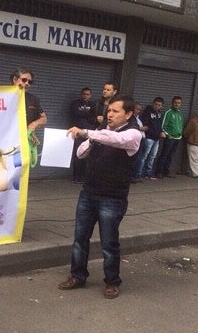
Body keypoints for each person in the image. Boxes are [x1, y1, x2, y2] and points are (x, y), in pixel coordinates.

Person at [59, 95, 142, 299]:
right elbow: (80, 154)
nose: (110, 114)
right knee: (80, 239)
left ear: (128, 114)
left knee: (109, 243)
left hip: (112, 198)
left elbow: (117, 140)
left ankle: (112, 281)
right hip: (88, 193)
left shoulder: (133, 134)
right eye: (109, 110)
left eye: (115, 111)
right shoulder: (101, 131)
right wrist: (91, 139)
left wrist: (88, 132)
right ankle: (77, 276)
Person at [11, 67, 47, 166]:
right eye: (24, 80)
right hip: (7, 142)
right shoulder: (2, 96)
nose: (27, 83)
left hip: (25, 142)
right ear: (15, 79)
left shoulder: (33, 99)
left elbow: (44, 118)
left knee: (22, 169)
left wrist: (34, 123)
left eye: (29, 82)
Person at [68, 87, 95, 183]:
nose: (85, 96)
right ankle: (76, 177)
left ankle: (84, 177)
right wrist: (89, 114)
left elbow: (94, 117)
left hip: (89, 133)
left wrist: (84, 114)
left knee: (87, 155)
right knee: (77, 155)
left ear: (90, 95)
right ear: (81, 94)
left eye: (88, 94)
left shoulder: (93, 104)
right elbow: (75, 113)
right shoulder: (75, 103)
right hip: (77, 133)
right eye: (84, 94)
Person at [133, 97, 164, 181]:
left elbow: (159, 125)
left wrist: (161, 132)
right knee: (144, 156)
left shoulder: (159, 114)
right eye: (156, 104)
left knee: (152, 156)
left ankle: (148, 173)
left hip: (156, 138)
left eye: (159, 105)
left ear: (161, 106)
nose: (157, 106)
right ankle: (138, 174)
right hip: (149, 138)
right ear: (153, 104)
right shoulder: (147, 112)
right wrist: (152, 132)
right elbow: (145, 125)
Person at [155, 96, 184, 179]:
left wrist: (180, 135)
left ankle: (166, 171)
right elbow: (163, 126)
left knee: (171, 155)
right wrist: (168, 135)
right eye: (175, 103)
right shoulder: (168, 113)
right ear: (172, 103)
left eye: (179, 103)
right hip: (169, 138)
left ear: (181, 104)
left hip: (177, 138)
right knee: (164, 154)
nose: (177, 104)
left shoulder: (180, 114)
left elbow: (181, 125)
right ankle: (158, 172)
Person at [183, 108, 198, 179]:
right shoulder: (193, 121)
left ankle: (193, 172)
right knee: (194, 159)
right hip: (193, 142)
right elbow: (187, 131)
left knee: (197, 159)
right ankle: (196, 174)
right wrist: (190, 138)